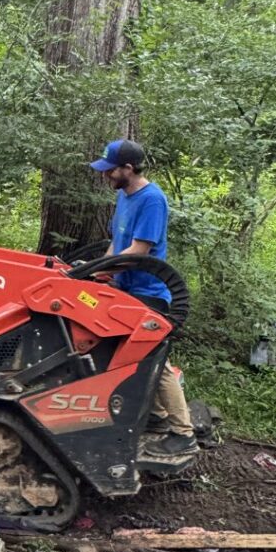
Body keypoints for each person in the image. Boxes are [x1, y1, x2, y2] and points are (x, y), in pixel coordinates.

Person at [89, 139, 198, 461]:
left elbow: (139, 251)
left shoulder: (152, 200)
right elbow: (117, 245)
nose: (106, 175)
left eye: (110, 170)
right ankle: (158, 417)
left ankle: (183, 434)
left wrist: (104, 269)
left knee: (153, 360)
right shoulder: (125, 196)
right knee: (126, 356)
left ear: (128, 168)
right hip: (126, 290)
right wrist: (98, 272)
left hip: (149, 295)